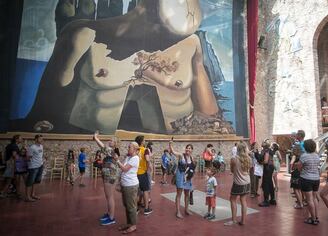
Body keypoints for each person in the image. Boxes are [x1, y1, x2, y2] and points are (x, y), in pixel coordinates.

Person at [17, 0, 220, 134]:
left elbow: (209, 115)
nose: (167, 45)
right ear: (144, 10)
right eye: (165, 35)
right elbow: (44, 111)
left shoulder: (190, 44)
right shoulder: (84, 37)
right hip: (99, 148)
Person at [93, 131, 118, 226]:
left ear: (115, 143)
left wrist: (95, 137)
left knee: (110, 197)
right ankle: (109, 214)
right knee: (108, 197)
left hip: (110, 177)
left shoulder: (111, 150)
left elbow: (102, 146)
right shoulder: (111, 151)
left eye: (111, 140)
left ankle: (111, 218)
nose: (109, 141)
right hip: (108, 175)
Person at [114, 142, 139, 234]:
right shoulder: (129, 157)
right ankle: (129, 223)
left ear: (135, 149)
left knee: (131, 207)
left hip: (131, 185)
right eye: (128, 147)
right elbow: (122, 170)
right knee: (127, 205)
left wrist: (117, 160)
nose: (127, 148)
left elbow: (124, 169)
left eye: (129, 147)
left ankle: (133, 225)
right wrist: (119, 182)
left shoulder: (135, 158)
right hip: (126, 184)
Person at [224, 142, 251, 226]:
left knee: (232, 199)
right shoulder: (248, 159)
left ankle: (234, 220)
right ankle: (243, 221)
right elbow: (248, 169)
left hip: (238, 183)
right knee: (243, 200)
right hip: (247, 182)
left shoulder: (234, 159)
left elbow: (232, 171)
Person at [296, 139, 321, 225]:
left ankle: (313, 219)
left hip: (306, 179)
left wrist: (302, 170)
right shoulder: (316, 155)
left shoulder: (304, 156)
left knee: (309, 200)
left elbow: (299, 167)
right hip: (316, 179)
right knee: (314, 198)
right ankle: (316, 216)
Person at [169, 141, 196, 219]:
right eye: (187, 148)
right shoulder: (181, 155)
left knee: (187, 194)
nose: (188, 149)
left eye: (189, 148)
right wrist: (170, 144)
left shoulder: (192, 158)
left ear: (192, 150)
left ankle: (186, 209)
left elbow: (192, 169)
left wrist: (191, 179)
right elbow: (173, 152)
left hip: (187, 178)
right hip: (180, 176)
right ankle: (178, 211)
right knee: (179, 194)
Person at [24, 134, 46, 202]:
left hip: (40, 166)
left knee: (36, 181)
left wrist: (43, 161)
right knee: (30, 182)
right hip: (33, 167)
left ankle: (33, 194)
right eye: (40, 139)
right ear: (36, 139)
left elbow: (40, 155)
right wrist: (32, 164)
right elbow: (28, 158)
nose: (42, 140)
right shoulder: (32, 147)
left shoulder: (41, 146)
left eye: (42, 139)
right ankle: (27, 197)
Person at [135, 135, 153, 215]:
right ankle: (146, 209)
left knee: (137, 192)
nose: (145, 141)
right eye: (144, 140)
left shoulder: (135, 149)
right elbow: (147, 159)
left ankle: (135, 209)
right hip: (142, 173)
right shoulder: (145, 150)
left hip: (135, 173)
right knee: (145, 191)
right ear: (142, 142)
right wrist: (150, 166)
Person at [259, 139, 276, 207]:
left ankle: (266, 201)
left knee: (266, 184)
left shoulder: (266, 151)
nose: (262, 143)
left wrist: (261, 163)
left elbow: (266, 161)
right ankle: (272, 199)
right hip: (270, 167)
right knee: (270, 183)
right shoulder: (270, 150)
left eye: (263, 142)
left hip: (267, 167)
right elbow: (272, 160)